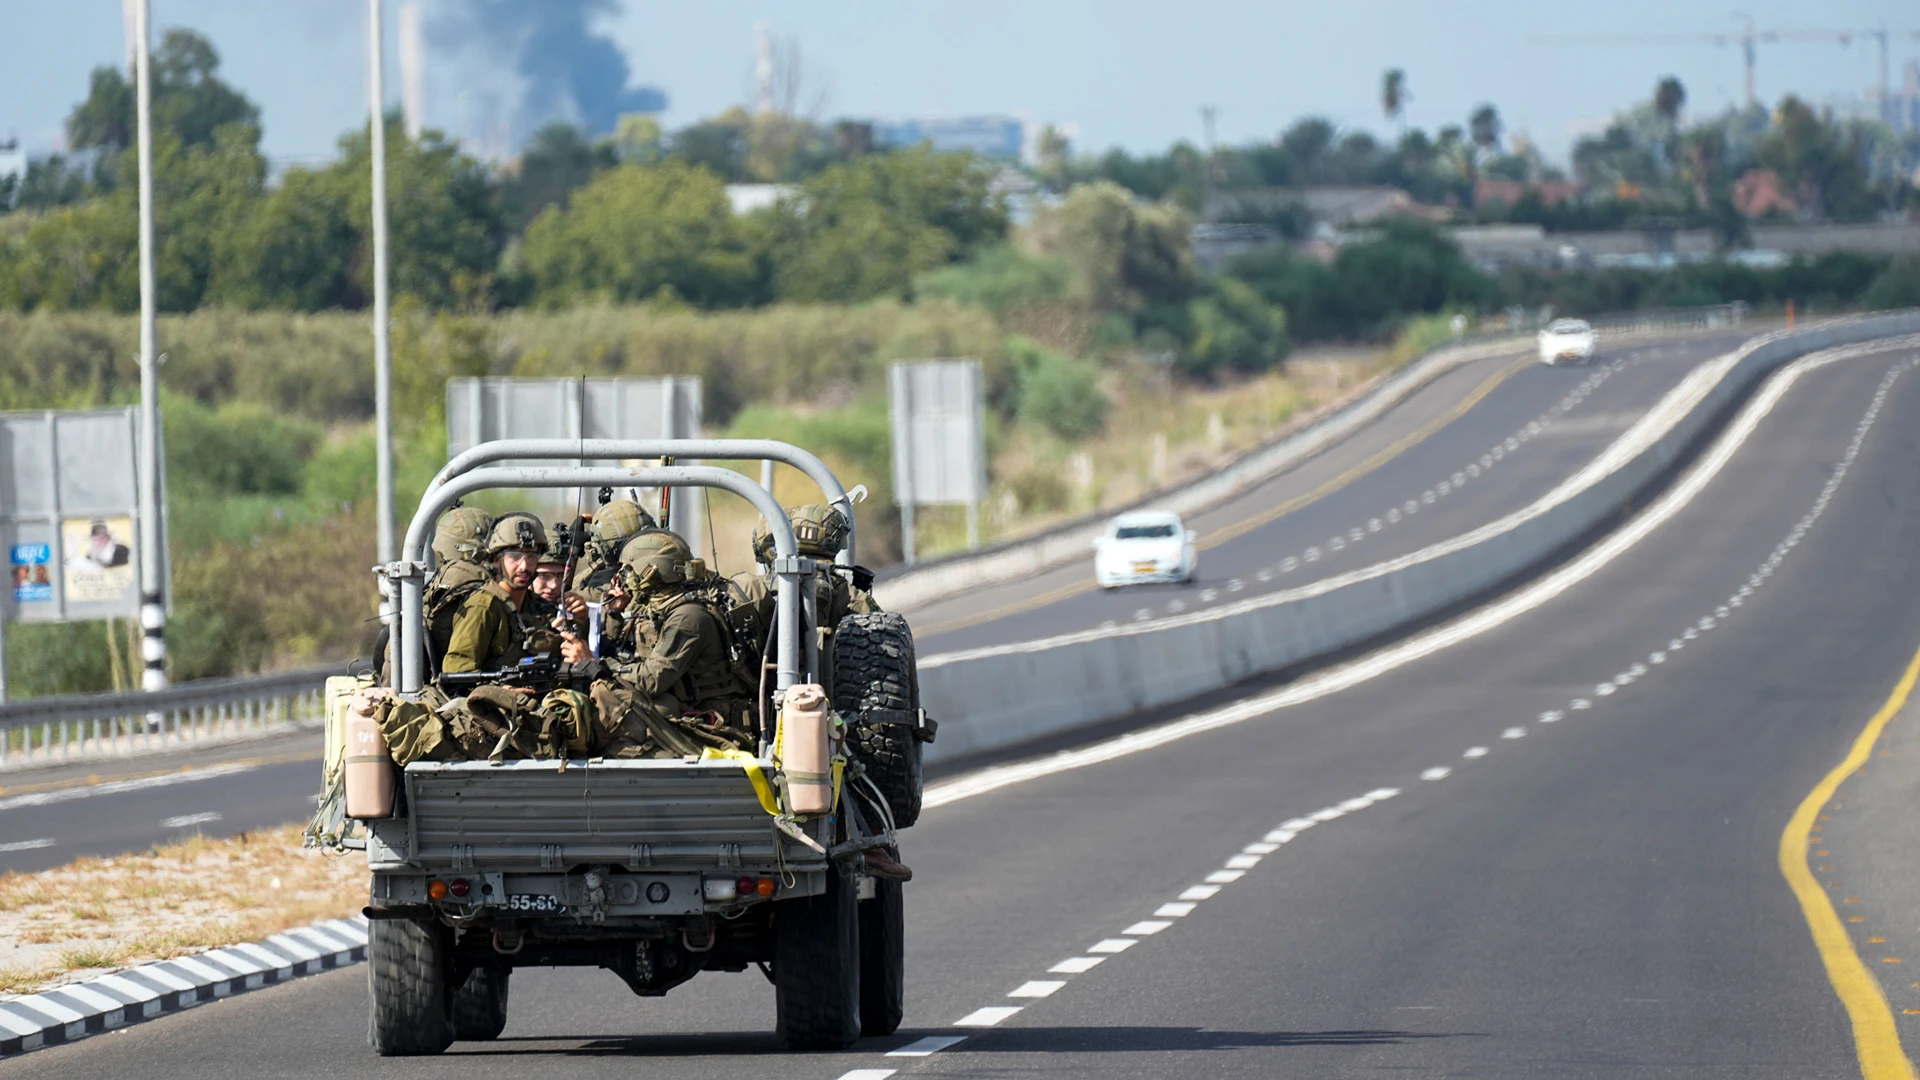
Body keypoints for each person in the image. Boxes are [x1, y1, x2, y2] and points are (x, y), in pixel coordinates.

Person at [442, 511, 560, 674]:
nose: (524, 566)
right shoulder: (483, 606)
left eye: (531, 556)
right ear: (497, 559)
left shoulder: (536, 605)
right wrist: (501, 691)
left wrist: (581, 622)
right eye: (515, 556)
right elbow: (457, 670)